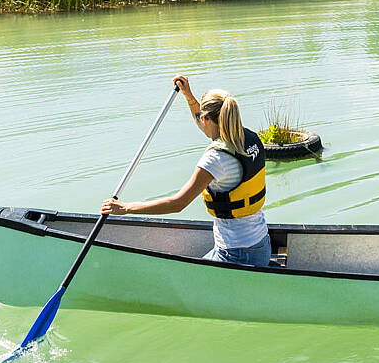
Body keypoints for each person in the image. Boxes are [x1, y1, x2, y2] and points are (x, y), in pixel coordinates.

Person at [101, 75, 272, 267]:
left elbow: (177, 203)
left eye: (202, 117)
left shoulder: (216, 159)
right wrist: (188, 96)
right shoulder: (246, 138)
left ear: (207, 118)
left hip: (236, 254)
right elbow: (206, 125)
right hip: (261, 244)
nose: (199, 121)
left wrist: (125, 208)